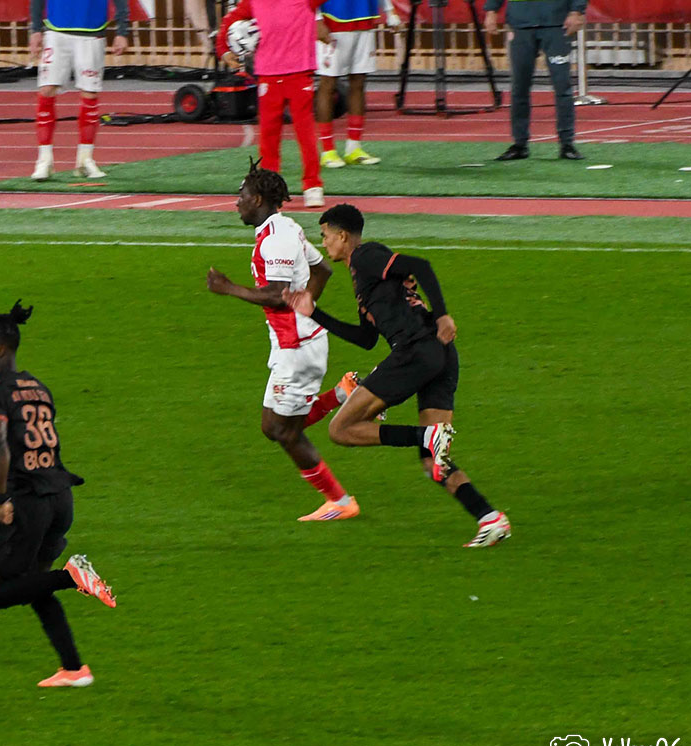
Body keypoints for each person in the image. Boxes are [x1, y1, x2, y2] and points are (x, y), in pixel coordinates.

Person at [282, 204, 512, 548]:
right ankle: (489, 518)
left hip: (416, 350)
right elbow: (366, 338)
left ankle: (425, 436)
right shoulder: (363, 278)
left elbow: (420, 265)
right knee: (433, 462)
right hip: (439, 354)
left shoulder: (365, 257)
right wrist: (314, 313)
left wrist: (443, 314)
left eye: (326, 235)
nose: (324, 242)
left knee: (340, 429)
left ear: (342, 236)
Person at [0, 301, 117, 688]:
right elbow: (23, 447)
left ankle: (71, 577)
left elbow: (1, 444)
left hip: (27, 504)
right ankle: (74, 669)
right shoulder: (37, 387)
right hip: (60, 499)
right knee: (34, 584)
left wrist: (2, 499)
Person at [206, 161, 361, 522]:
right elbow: (322, 269)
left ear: (258, 199)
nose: (237, 202)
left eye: (242, 195)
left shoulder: (277, 238)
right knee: (273, 426)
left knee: (282, 431)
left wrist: (229, 288)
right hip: (294, 341)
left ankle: (340, 502)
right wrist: (306, 307)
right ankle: (343, 393)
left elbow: (277, 294)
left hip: (297, 347)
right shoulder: (284, 228)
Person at [216, 0, 330, 208]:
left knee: (305, 133)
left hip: (300, 73)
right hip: (268, 74)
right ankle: (269, 190)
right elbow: (230, 19)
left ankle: (313, 185)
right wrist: (223, 50)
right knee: (269, 136)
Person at [28, 0, 131, 180]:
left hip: (92, 32)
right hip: (56, 31)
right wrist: (36, 29)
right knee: (46, 90)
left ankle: (85, 159)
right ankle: (44, 160)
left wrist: (122, 31)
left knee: (89, 93)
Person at [484, 0, 588, 161]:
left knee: (562, 85)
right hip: (521, 23)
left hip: (555, 22)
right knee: (519, 86)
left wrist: (577, 11)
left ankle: (567, 143)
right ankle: (520, 144)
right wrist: (491, 10)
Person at [316, 0, 400, 168]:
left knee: (359, 83)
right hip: (332, 21)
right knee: (328, 84)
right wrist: (316, 20)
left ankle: (354, 148)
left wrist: (390, 11)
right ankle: (328, 151)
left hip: (365, 21)